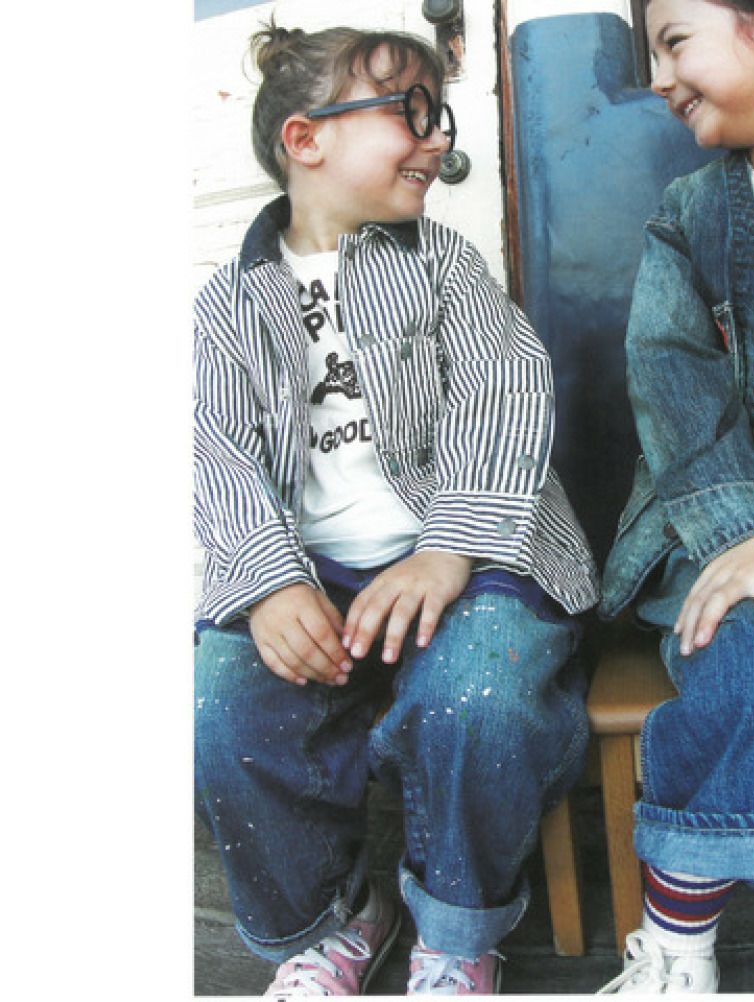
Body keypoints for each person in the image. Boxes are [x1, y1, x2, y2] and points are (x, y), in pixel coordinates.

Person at [193, 21, 599, 997]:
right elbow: (216, 451)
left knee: (480, 697)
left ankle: (456, 930)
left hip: (475, 556)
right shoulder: (224, 307)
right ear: (305, 140)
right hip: (315, 573)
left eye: (441, 114)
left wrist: (450, 549)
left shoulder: (444, 266)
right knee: (218, 706)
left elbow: (503, 394)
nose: (437, 137)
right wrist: (270, 584)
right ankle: (332, 922)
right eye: (409, 113)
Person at [597, 0, 754, 993]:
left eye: (675, 40)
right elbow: (669, 379)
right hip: (714, 530)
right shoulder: (690, 217)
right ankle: (677, 945)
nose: (656, 77)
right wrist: (752, 526)